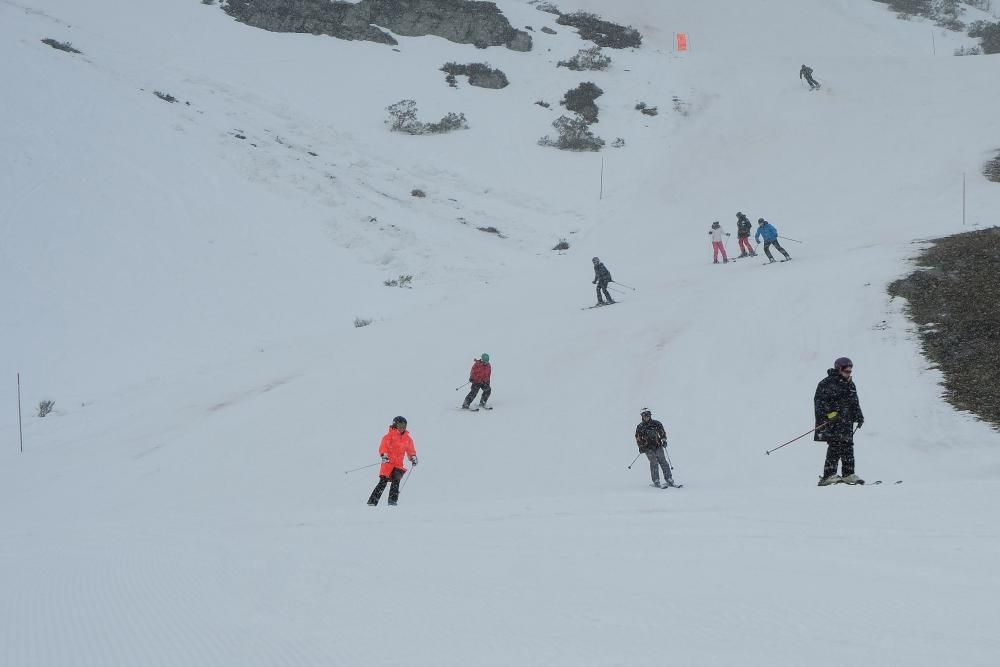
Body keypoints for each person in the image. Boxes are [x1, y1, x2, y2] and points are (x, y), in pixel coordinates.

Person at [814, 358, 865, 486]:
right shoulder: (826, 383)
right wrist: (829, 414)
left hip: (846, 422)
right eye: (846, 370)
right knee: (835, 446)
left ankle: (848, 474)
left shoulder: (850, 384)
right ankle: (829, 475)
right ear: (838, 369)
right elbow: (819, 401)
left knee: (848, 446)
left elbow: (854, 402)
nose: (848, 372)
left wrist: (859, 416)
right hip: (832, 423)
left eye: (850, 370)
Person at [367, 416, 417, 506]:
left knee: (396, 482)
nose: (402, 427)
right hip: (388, 463)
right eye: (400, 425)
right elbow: (383, 447)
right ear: (395, 425)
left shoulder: (407, 439)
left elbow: (410, 450)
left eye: (404, 425)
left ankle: (392, 502)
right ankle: (372, 502)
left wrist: (413, 457)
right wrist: (384, 455)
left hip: (398, 465)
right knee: (383, 482)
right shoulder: (389, 436)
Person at [635, 407, 676, 488]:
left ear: (650, 415)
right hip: (648, 448)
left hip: (658, 446)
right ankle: (656, 480)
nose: (646, 416)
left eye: (648, 415)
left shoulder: (656, 423)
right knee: (654, 463)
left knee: (663, 461)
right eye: (644, 415)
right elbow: (638, 438)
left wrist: (664, 440)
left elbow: (662, 432)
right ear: (642, 416)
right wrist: (641, 447)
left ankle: (669, 479)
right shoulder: (640, 427)